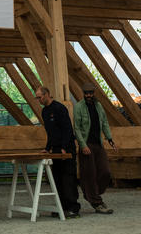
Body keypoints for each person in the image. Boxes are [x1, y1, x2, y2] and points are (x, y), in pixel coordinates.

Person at [34, 86, 81, 219]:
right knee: (57, 179)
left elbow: (67, 129)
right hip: (55, 149)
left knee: (68, 178)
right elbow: (50, 132)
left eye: (40, 97)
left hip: (67, 148)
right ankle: (62, 206)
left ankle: (73, 208)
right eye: (37, 98)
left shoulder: (59, 108)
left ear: (47, 94)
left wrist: (65, 147)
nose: (39, 100)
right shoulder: (45, 112)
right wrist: (47, 148)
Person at [72, 83, 115, 214]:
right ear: (83, 94)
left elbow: (104, 122)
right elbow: (77, 128)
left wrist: (110, 138)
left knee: (105, 172)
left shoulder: (98, 105)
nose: (89, 95)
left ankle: (92, 193)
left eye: (90, 93)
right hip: (87, 144)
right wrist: (83, 145)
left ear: (94, 93)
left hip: (98, 143)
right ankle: (97, 202)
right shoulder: (79, 107)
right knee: (89, 174)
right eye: (86, 93)